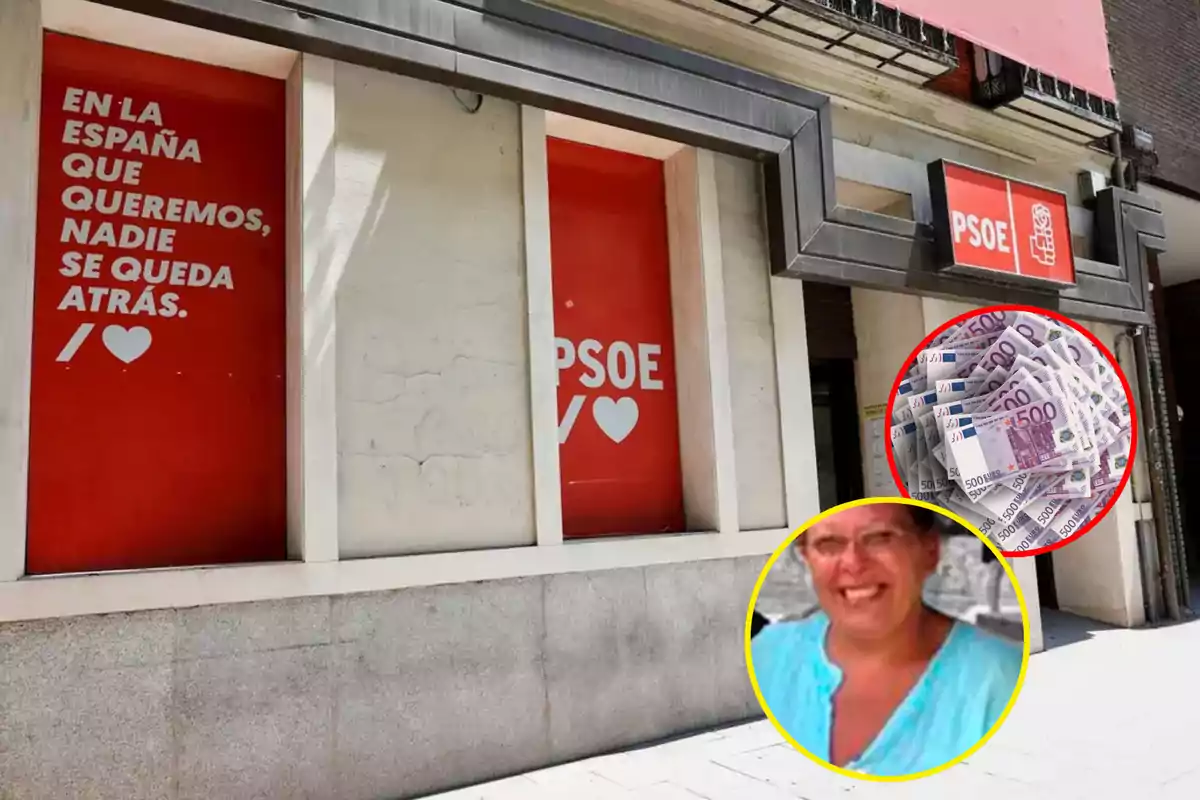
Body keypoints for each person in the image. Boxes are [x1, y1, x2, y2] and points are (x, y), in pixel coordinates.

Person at [749, 502, 1023, 777]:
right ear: (806, 557)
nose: (853, 564)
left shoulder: (995, 678)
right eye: (829, 544)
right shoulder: (770, 653)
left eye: (880, 538)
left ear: (930, 551)